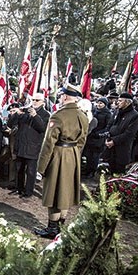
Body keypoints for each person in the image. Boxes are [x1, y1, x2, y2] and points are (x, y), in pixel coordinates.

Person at [35, 84, 89, 239]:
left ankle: (52, 228)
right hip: (72, 155)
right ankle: (60, 227)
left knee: (54, 191)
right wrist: (73, 154)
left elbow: (48, 143)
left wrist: (41, 166)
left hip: (58, 155)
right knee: (65, 192)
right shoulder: (82, 115)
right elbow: (82, 140)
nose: (60, 98)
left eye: (61, 96)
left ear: (65, 97)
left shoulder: (58, 116)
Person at [7, 93, 48, 198]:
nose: (34, 102)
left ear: (43, 102)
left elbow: (42, 128)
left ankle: (28, 191)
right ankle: (18, 188)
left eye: (37, 100)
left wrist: (35, 116)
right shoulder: (25, 111)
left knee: (30, 171)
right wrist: (15, 114)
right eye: (33, 99)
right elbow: (10, 124)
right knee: (19, 169)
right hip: (21, 145)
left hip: (33, 147)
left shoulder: (45, 114)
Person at [99, 93, 138, 174]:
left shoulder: (135, 115)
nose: (118, 102)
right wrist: (107, 137)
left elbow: (129, 133)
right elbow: (110, 125)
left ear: (127, 102)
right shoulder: (117, 111)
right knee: (108, 170)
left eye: (121, 101)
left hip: (122, 149)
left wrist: (114, 141)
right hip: (110, 148)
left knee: (119, 172)